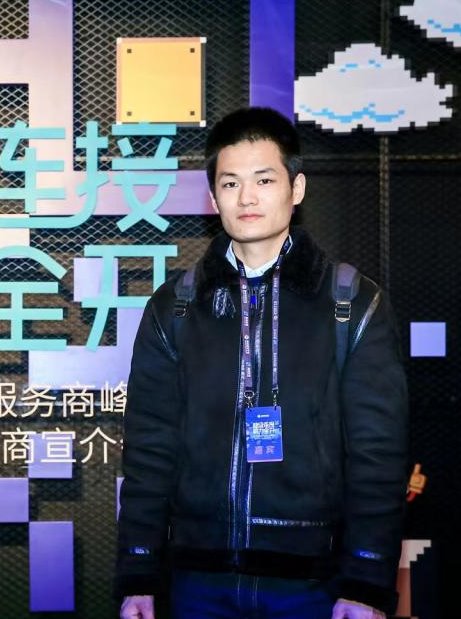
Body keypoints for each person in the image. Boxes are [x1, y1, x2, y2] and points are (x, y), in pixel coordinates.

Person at [115, 107, 408, 619]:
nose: (247, 197)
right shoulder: (176, 306)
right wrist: (138, 573)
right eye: (230, 183)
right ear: (213, 198)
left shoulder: (352, 303)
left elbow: (378, 456)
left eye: (264, 180)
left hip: (315, 586)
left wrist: (366, 583)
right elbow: (150, 447)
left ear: (297, 189)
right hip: (197, 583)